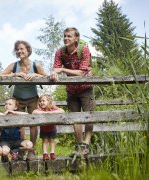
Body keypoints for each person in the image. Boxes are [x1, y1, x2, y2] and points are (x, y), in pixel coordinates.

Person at [50, 27, 95, 156]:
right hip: (71, 89)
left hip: (86, 87)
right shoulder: (60, 52)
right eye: (64, 36)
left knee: (89, 116)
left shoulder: (84, 50)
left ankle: (86, 144)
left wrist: (63, 70)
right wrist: (54, 74)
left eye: (69, 36)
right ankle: (80, 145)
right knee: (75, 118)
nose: (66, 38)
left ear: (76, 38)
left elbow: (82, 72)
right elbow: (55, 68)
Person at [0, 40, 47, 160]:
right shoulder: (14, 65)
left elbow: (45, 76)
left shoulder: (36, 65)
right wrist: (15, 74)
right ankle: (19, 152)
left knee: (33, 123)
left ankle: (32, 150)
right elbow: (0, 75)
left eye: (22, 49)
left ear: (28, 50)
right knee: (19, 124)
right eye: (18, 49)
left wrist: (36, 75)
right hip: (17, 99)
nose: (19, 51)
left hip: (32, 99)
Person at [0, 98, 33, 162]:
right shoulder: (1, 116)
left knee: (29, 145)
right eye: (6, 104)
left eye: (10, 104)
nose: (7, 105)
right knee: (4, 151)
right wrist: (5, 115)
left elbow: (27, 115)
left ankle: (16, 152)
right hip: (4, 141)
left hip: (16, 141)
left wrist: (14, 112)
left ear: (15, 107)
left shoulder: (17, 117)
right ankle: (5, 155)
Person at [32, 95, 64, 160]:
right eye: (40, 101)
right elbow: (34, 112)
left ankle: (52, 153)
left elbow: (62, 111)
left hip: (52, 128)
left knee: (52, 141)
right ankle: (45, 153)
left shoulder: (52, 108)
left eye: (43, 101)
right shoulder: (40, 109)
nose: (41, 102)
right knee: (44, 141)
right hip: (43, 129)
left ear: (49, 102)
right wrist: (44, 113)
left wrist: (51, 112)